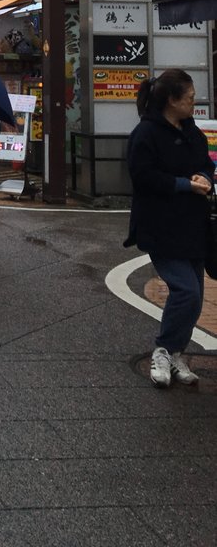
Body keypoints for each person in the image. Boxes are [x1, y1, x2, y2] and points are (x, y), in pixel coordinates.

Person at [125, 68, 215, 388]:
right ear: (172, 101)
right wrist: (183, 185)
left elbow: (206, 161)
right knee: (187, 292)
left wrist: (206, 176)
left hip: (193, 227)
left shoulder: (192, 131)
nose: (194, 102)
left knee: (194, 297)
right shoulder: (146, 134)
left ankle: (176, 354)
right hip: (160, 227)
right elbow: (143, 177)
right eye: (189, 98)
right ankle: (163, 350)